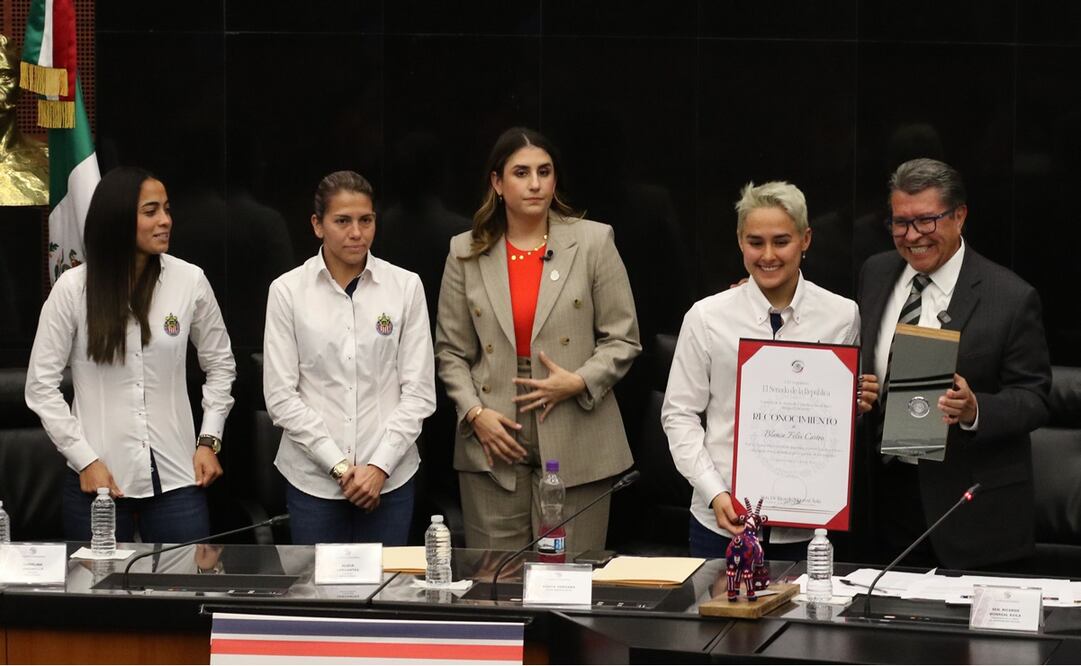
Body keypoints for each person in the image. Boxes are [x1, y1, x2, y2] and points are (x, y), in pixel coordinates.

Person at [435, 127, 641, 551]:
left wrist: (579, 381)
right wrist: (474, 413)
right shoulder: (465, 251)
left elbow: (623, 339)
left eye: (544, 172)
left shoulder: (593, 241)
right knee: (496, 581)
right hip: (494, 431)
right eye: (521, 172)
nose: (535, 184)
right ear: (497, 182)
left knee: (570, 577)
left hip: (575, 424)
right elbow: (451, 351)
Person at [662, 181, 878, 560]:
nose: (768, 255)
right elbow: (678, 415)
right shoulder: (707, 317)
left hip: (808, 527)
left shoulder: (842, 316)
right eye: (755, 242)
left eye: (781, 241)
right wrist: (714, 491)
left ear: (806, 239)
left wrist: (854, 406)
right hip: (722, 521)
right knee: (718, 620)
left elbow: (836, 428)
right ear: (740, 242)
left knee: (805, 620)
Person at [857, 158, 1050, 570]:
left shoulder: (1010, 298)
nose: (912, 236)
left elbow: (1034, 398)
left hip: (968, 514)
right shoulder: (875, 273)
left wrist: (974, 409)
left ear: (959, 215)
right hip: (883, 507)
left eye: (927, 221)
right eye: (900, 223)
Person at [25, 166, 235, 542]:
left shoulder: (190, 280)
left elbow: (221, 365)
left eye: (167, 210)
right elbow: (40, 387)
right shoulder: (73, 290)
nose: (165, 221)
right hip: (98, 481)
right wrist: (84, 459)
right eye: (151, 211)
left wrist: (209, 440)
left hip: (178, 479)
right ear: (118, 219)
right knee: (97, 596)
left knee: (183, 593)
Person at [263, 170, 435, 545]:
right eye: (342, 221)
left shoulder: (405, 286)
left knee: (385, 593)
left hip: (389, 480)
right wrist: (339, 466)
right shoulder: (288, 291)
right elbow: (280, 397)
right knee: (318, 594)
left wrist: (378, 467)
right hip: (313, 482)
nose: (356, 232)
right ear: (317, 225)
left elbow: (419, 392)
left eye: (366, 220)